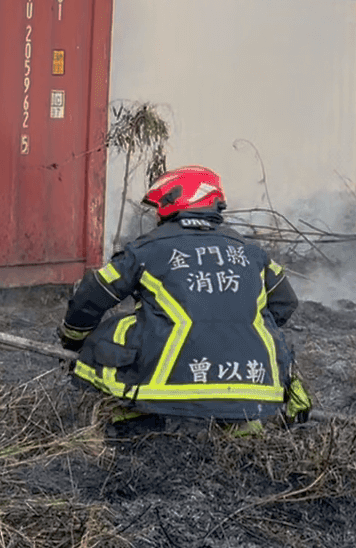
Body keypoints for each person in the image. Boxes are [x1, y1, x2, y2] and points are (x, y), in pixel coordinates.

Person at [59, 165, 309, 431]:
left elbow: (92, 294)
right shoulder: (251, 252)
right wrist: (237, 331)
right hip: (253, 388)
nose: (157, 213)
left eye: (161, 204)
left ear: (175, 201)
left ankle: (129, 417)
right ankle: (244, 431)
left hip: (162, 388)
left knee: (113, 331)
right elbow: (285, 303)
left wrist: (72, 341)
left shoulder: (146, 249)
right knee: (262, 330)